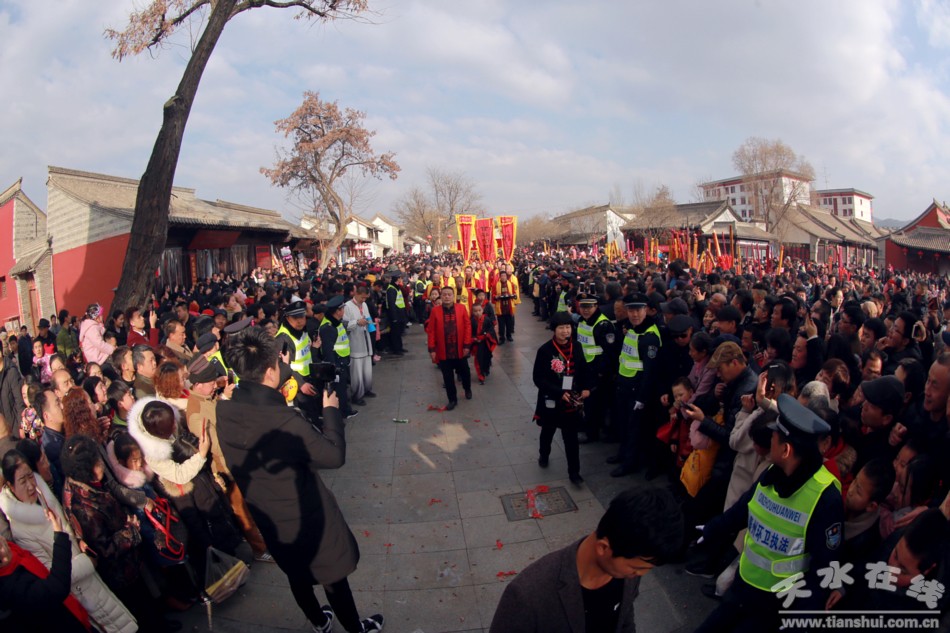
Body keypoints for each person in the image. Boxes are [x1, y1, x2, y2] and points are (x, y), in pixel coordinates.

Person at [216, 327, 383, 633]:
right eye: (278, 364)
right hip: (305, 515)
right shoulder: (284, 421)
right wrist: (330, 412)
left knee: (296, 573)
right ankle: (355, 628)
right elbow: (333, 456)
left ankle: (319, 621)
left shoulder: (226, 410)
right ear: (269, 372)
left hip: (268, 516)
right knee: (333, 577)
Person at [695, 394, 844, 633]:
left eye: (773, 437)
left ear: (785, 449)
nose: (769, 441)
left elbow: (823, 568)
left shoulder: (825, 497)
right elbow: (745, 507)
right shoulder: (774, 472)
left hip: (775, 606)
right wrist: (714, 528)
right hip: (743, 586)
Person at [489, 486, 684, 633]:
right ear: (603, 548)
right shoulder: (527, 595)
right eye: (636, 568)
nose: (640, 574)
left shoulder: (628, 574)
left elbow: (624, 618)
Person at [0, 449, 137, 633]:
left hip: (93, 580)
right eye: (22, 481)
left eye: (30, 476)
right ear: (10, 485)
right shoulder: (21, 531)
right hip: (78, 593)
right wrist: (87, 561)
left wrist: (79, 538)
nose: (31, 485)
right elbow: (51, 574)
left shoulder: (44, 496)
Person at [0, 497, 93, 633]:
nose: (1, 554)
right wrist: (60, 536)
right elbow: (56, 587)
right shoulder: (9, 589)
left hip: (75, 611)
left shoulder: (16, 552)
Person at [532, 311, 591, 485]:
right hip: (552, 401)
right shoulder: (545, 350)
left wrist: (586, 388)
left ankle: (574, 473)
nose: (565, 331)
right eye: (561, 328)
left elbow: (584, 369)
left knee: (571, 439)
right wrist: (558, 392)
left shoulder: (577, 346)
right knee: (547, 432)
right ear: (554, 329)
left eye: (568, 327)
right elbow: (538, 378)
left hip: (570, 402)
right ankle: (544, 455)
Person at [608, 293, 662, 477]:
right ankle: (622, 454)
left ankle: (630, 463)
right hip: (624, 384)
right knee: (623, 424)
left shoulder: (649, 337)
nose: (634, 314)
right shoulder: (632, 328)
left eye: (638, 310)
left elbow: (650, 372)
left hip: (636, 389)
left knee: (633, 429)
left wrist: (642, 397)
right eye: (631, 310)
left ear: (645, 310)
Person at [426, 287, 473, 411]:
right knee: (447, 377)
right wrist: (432, 349)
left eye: (449, 294)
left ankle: (467, 388)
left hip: (460, 349)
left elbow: (468, 327)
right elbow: (431, 331)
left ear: (453, 296)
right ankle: (452, 399)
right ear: (441, 296)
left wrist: (467, 345)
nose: (447, 297)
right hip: (444, 350)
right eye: (444, 294)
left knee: (465, 372)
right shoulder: (435, 311)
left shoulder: (461, 308)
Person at [319, 296, 357, 419]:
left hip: (342, 359)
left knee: (343, 387)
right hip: (336, 361)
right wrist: (333, 368)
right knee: (339, 389)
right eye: (342, 309)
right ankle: (341, 413)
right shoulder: (328, 327)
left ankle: (345, 410)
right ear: (337, 311)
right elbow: (328, 350)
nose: (343, 311)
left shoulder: (336, 322)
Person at [342, 287, 375, 405]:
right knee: (357, 372)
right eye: (362, 297)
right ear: (356, 294)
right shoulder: (347, 306)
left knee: (367, 368)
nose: (364, 300)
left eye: (366, 298)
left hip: (365, 339)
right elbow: (344, 324)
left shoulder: (364, 305)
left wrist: (369, 322)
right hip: (355, 341)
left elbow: (367, 317)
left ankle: (367, 389)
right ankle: (357, 395)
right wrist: (356, 322)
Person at [470, 302, 497, 385]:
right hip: (477, 344)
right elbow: (470, 332)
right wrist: (474, 338)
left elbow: (491, 330)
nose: (478, 313)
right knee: (478, 359)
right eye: (475, 311)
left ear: (482, 310)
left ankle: (486, 369)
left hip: (486, 342)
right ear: (472, 312)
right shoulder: (472, 321)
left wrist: (486, 336)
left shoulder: (487, 319)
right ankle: (481, 376)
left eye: (479, 310)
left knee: (487, 357)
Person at [493, 270, 520, 343]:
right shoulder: (496, 285)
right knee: (501, 324)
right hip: (500, 307)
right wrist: (496, 296)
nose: (503, 277)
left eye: (504, 276)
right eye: (502, 276)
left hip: (509, 306)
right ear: (500, 277)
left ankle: (509, 335)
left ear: (506, 277)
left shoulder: (510, 284)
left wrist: (513, 295)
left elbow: (514, 293)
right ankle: (502, 337)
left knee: (509, 323)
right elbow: (493, 295)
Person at [385, 273, 409, 355]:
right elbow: (391, 304)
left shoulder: (396, 287)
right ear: (397, 279)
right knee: (395, 333)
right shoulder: (391, 289)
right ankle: (396, 349)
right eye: (400, 278)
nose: (401, 280)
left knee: (399, 332)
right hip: (396, 314)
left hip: (400, 313)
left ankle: (400, 347)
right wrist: (394, 317)